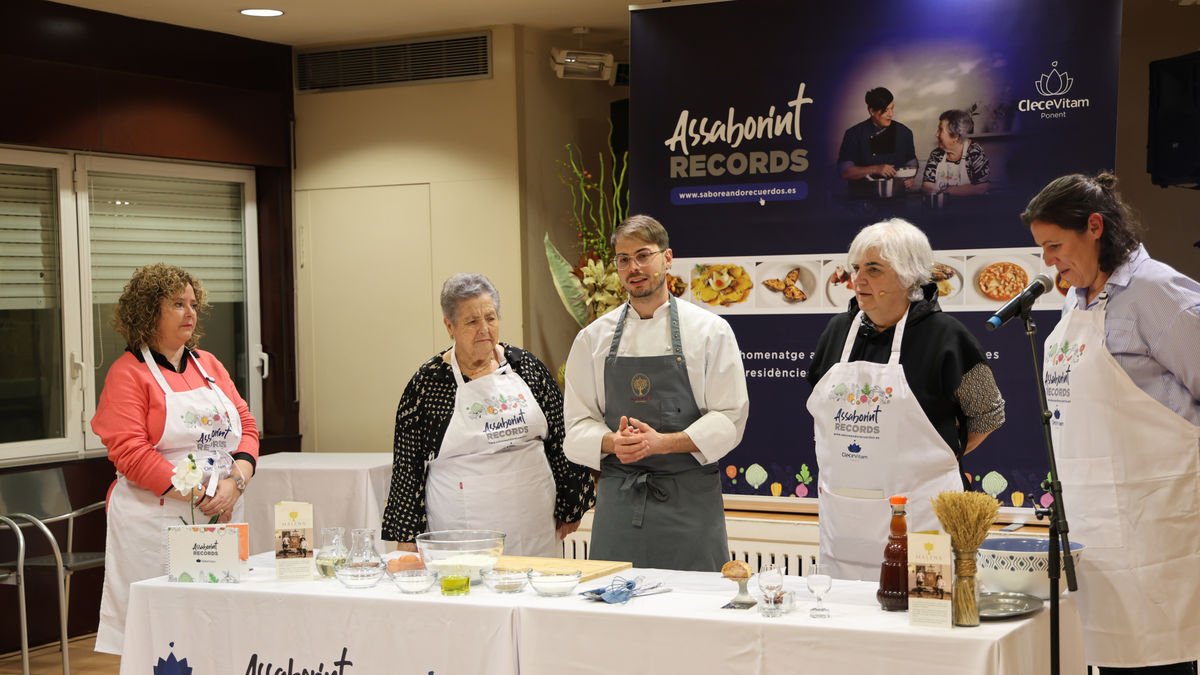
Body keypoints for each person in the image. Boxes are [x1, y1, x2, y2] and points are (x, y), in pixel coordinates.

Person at [1023, 172, 1200, 674]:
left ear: (1095, 227)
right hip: (1093, 531)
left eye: (1055, 245)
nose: (1048, 262)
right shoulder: (1074, 301)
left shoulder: (1153, 290)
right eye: (1042, 249)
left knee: (1159, 662)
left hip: (1156, 531)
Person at [805, 218, 1005, 581]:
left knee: (922, 616)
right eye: (855, 269)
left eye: (874, 270)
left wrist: (935, 462)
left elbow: (987, 414)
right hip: (846, 522)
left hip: (922, 518)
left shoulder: (947, 336)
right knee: (847, 624)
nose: (857, 281)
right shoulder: (837, 331)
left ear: (909, 275)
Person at [563, 215, 750, 572]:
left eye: (643, 255)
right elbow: (575, 425)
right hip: (620, 502)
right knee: (615, 608)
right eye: (623, 259)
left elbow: (730, 418)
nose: (633, 267)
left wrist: (664, 443)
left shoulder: (710, 332)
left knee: (694, 611)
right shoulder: (592, 339)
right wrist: (612, 442)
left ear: (667, 259)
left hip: (689, 502)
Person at [91, 263, 258, 655]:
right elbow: (131, 453)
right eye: (178, 304)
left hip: (223, 510)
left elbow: (247, 428)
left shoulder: (209, 365)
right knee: (162, 635)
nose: (191, 312)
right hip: (157, 520)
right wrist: (201, 493)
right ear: (150, 311)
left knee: (217, 625)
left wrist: (236, 483)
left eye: (193, 304)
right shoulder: (127, 374)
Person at [381, 273, 594, 557]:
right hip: (461, 531)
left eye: (491, 318)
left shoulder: (526, 367)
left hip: (536, 525)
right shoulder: (428, 384)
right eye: (471, 321)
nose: (484, 329)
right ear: (449, 326)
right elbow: (408, 467)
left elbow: (561, 438)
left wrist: (573, 505)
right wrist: (406, 537)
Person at [837, 87, 918, 199]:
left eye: (892, 109)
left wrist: (910, 177)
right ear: (871, 111)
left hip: (897, 202)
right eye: (885, 110)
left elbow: (911, 161)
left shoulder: (904, 132)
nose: (891, 114)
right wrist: (875, 169)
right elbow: (844, 172)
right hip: (862, 202)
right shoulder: (854, 134)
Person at [922, 109, 991, 197]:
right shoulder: (936, 154)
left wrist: (949, 191)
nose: (936, 134)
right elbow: (927, 185)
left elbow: (982, 187)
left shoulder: (975, 153)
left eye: (940, 130)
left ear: (955, 136)